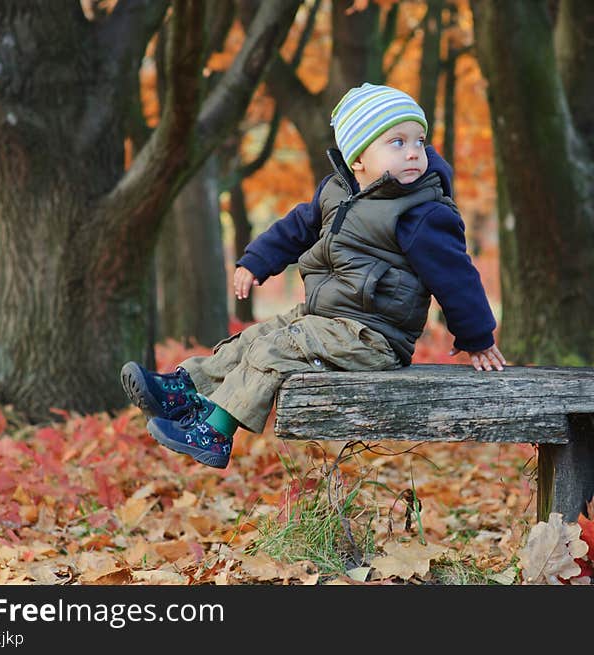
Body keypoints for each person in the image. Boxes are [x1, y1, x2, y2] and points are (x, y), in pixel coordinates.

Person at [120, 82, 507, 470]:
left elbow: (457, 277)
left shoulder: (421, 212)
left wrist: (476, 337)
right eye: (397, 142)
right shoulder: (336, 193)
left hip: (373, 337)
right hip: (326, 319)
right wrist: (256, 261)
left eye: (418, 142)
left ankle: (215, 431)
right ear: (358, 159)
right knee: (257, 335)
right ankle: (183, 389)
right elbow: (297, 228)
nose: (413, 152)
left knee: (277, 349)